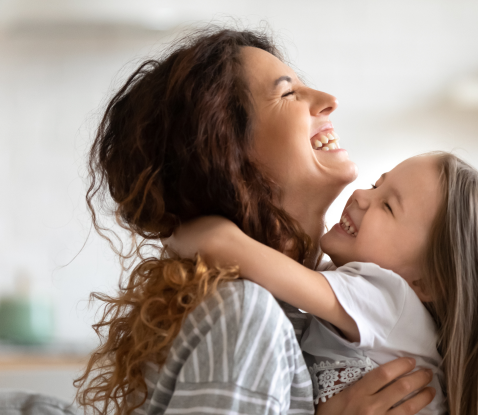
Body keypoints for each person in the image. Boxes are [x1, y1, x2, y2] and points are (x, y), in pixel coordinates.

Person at [75, 27, 435, 415]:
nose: (329, 101)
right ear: (230, 156)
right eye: (288, 93)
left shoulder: (310, 309)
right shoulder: (246, 317)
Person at [167, 152, 478, 415]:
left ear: (427, 282)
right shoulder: (374, 304)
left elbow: (226, 248)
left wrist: (180, 229)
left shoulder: (388, 296)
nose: (361, 195)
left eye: (388, 207)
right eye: (377, 184)